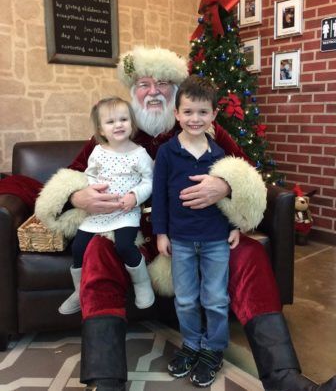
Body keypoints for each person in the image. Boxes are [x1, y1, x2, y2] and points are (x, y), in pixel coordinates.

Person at [4, 45, 333, 391]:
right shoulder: (116, 131)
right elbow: (74, 174)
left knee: (249, 255)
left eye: (163, 82)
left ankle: (285, 378)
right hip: (136, 233)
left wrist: (225, 184)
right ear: (133, 92)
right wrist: (76, 195)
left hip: (204, 230)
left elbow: (246, 171)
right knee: (99, 254)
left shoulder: (206, 131)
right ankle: (105, 381)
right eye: (144, 83)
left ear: (176, 93)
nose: (154, 91)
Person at [151, 75, 241, 387]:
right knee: (186, 298)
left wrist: (235, 226)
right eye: (188, 112)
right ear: (176, 114)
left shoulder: (221, 156)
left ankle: (213, 349)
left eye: (203, 112)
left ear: (214, 115)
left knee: (215, 298)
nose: (195, 118)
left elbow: (234, 193)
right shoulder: (166, 152)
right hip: (181, 240)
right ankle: (191, 344)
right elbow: (159, 195)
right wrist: (161, 233)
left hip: (216, 238)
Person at [58, 97, 154, 315]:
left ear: (132, 123)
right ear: (101, 128)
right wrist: (92, 190)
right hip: (98, 212)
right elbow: (89, 173)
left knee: (124, 246)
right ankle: (79, 290)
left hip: (125, 211)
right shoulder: (99, 151)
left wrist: (134, 196)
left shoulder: (139, 154)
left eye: (123, 119)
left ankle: (142, 283)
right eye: (110, 122)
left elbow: (150, 181)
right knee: (77, 248)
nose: (118, 125)